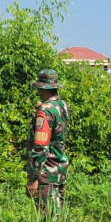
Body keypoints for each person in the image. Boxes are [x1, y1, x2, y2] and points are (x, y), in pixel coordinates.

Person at [25, 69, 71, 211]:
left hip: (47, 172)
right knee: (58, 214)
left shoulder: (44, 112)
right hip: (59, 168)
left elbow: (40, 146)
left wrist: (33, 178)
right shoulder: (62, 106)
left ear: (41, 87)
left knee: (50, 219)